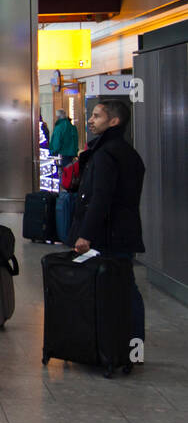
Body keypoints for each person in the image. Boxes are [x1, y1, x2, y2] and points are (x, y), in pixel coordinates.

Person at [71, 98, 145, 345]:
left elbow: (100, 197)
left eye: (96, 116)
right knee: (125, 286)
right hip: (123, 231)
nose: (90, 121)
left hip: (108, 234)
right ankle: (132, 344)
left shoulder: (106, 154)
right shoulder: (128, 153)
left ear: (114, 121)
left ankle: (115, 343)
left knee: (116, 288)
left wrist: (85, 234)